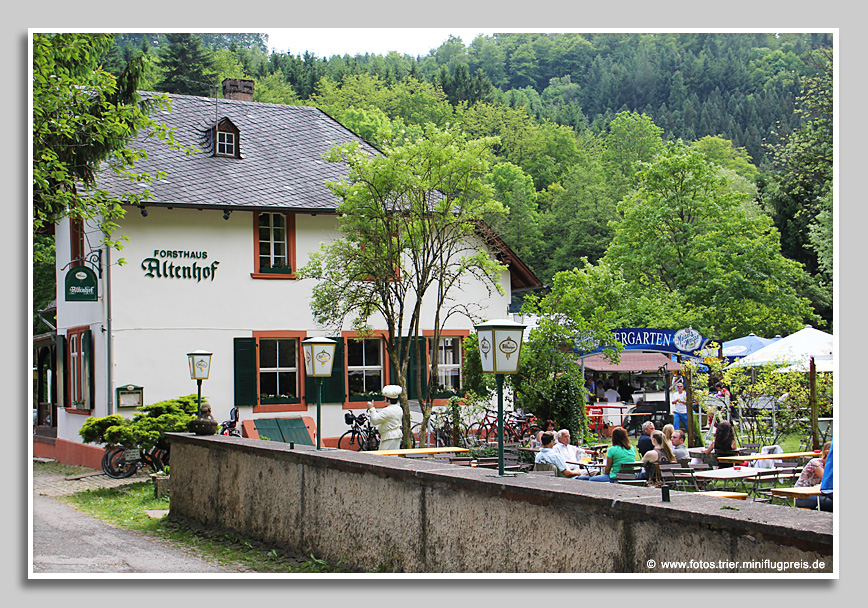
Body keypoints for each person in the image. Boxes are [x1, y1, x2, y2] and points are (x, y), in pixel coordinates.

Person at [367, 384, 404, 451]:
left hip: (389, 436)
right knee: (393, 456)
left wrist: (372, 409)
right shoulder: (399, 408)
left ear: (388, 401)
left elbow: (375, 420)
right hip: (396, 435)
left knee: (383, 457)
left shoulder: (388, 410)